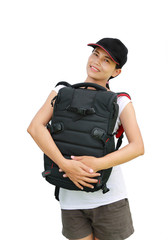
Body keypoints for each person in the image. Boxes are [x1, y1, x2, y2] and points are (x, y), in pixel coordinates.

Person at [27, 38, 144, 240]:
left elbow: (137, 147)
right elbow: (35, 128)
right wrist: (65, 164)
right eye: (95, 54)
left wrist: (98, 163)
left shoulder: (120, 101)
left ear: (117, 72)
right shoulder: (62, 92)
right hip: (70, 199)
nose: (97, 62)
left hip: (109, 199)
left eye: (107, 60)